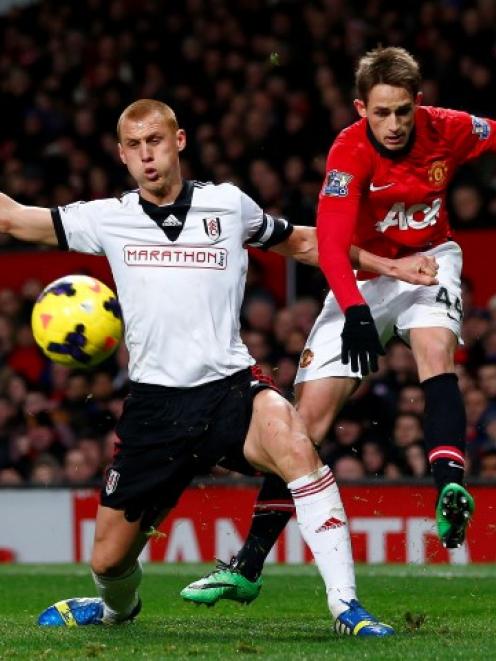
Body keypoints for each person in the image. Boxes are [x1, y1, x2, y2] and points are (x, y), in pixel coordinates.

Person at [1, 98, 437, 636]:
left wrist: (387, 264)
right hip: (155, 409)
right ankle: (116, 609)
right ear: (121, 155)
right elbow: (13, 218)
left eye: (155, 141)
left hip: (230, 389)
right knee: (109, 564)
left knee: (296, 444)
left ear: (179, 141)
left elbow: (302, 241)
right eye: (135, 147)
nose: (147, 156)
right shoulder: (106, 219)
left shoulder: (228, 205)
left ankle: (347, 607)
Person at [182, 45, 482, 607]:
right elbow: (332, 245)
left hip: (430, 261)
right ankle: (247, 566)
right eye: (380, 113)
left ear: (419, 104)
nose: (392, 126)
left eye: (402, 112)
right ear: (359, 108)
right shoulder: (347, 153)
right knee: (305, 423)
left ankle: (449, 488)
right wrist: (359, 313)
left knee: (435, 352)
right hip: (363, 274)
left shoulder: (453, 128)